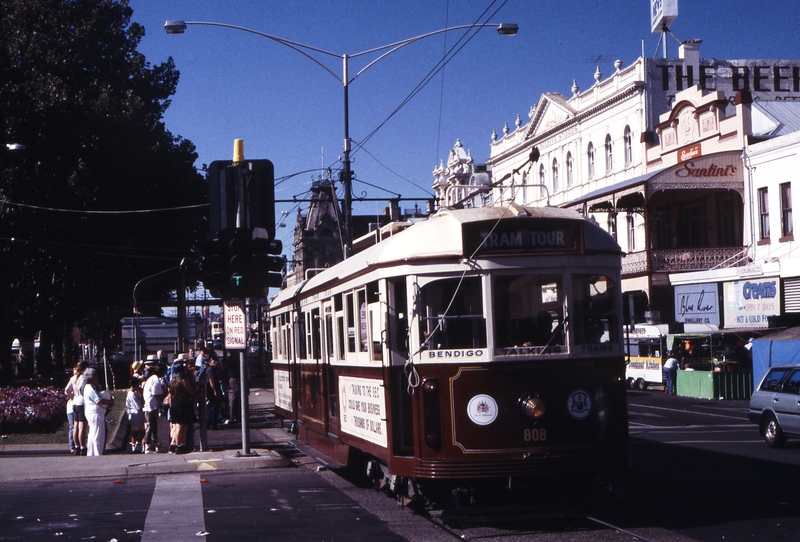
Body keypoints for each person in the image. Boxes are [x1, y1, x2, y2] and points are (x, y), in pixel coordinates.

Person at [167, 353, 197, 453]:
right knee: (182, 426)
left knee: (175, 426)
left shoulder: (172, 381)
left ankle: (174, 443)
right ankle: (181, 445)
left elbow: (170, 395)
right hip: (182, 403)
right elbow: (190, 391)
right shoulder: (183, 380)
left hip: (174, 404)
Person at [82, 368, 114, 456]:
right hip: (95, 414)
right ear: (91, 377)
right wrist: (110, 402)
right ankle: (97, 453)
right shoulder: (90, 389)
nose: (97, 378)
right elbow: (99, 400)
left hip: (91, 413)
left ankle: (91, 453)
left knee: (92, 434)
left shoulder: (87, 387)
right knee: (98, 435)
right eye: (95, 376)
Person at [142, 355, 166, 453]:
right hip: (151, 405)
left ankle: (154, 442)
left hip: (152, 404)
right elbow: (157, 394)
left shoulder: (152, 378)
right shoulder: (155, 380)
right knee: (150, 425)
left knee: (153, 425)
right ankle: (147, 443)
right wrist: (165, 395)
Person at [67, 361, 89, 455]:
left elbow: (67, 389)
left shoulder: (73, 378)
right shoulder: (84, 378)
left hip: (74, 402)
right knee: (81, 427)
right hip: (81, 402)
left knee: (75, 426)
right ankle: (83, 447)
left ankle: (76, 446)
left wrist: (72, 397)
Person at [126, 374, 146, 453]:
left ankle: (138, 444)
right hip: (135, 414)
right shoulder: (132, 395)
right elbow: (139, 405)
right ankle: (134, 445)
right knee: (135, 431)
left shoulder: (135, 394)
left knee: (142, 430)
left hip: (139, 414)